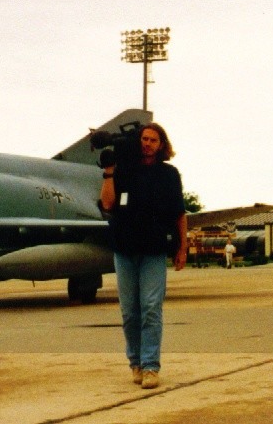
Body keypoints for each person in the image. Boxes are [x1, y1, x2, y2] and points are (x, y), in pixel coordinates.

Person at [100, 123, 187, 390]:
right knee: (129, 312)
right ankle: (135, 362)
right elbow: (107, 204)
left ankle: (150, 366)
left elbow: (179, 213)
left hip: (153, 250)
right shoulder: (123, 171)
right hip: (124, 249)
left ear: (162, 145)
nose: (147, 143)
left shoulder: (169, 174)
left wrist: (182, 248)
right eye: (144, 139)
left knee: (150, 308)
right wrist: (108, 173)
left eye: (153, 140)